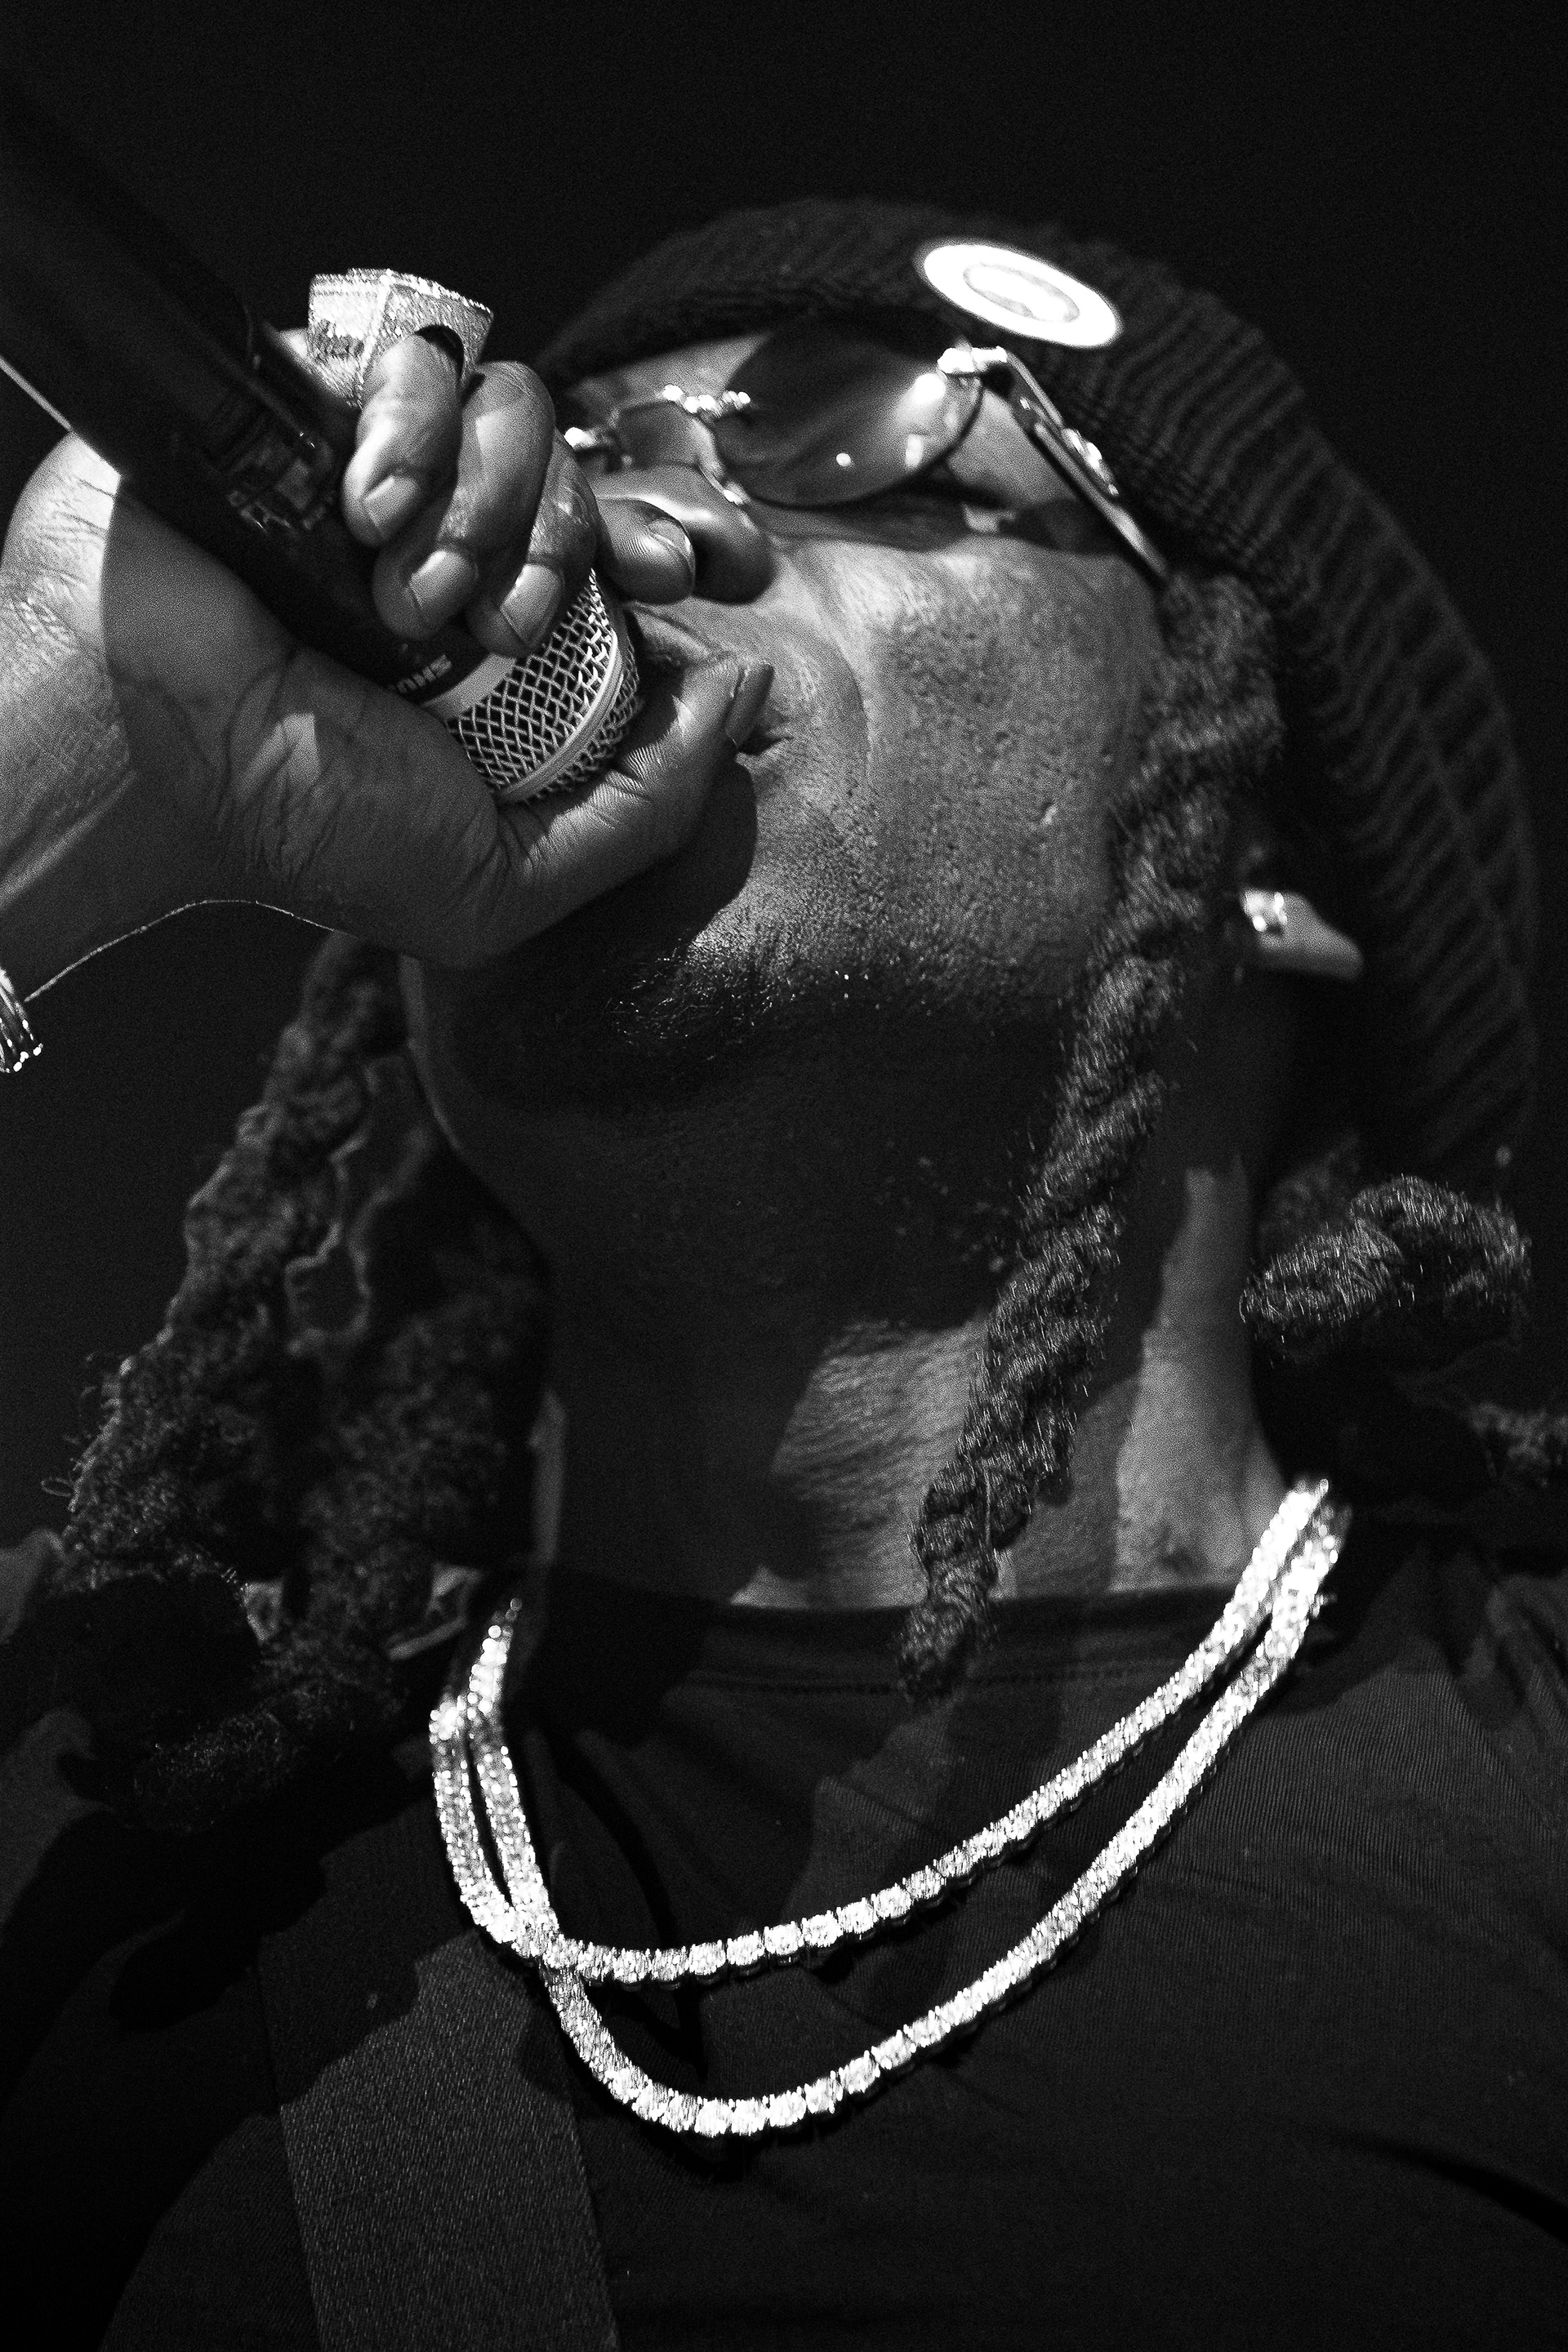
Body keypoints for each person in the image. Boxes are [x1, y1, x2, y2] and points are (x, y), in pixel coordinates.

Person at [1, 198, 1564, 2349]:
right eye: (588, 448)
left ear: (1261, 854)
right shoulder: (99, 1801)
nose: (644, 522)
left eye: (852, 438)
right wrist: (46, 780)